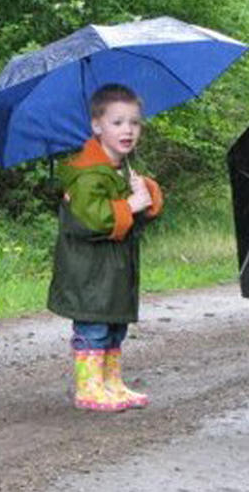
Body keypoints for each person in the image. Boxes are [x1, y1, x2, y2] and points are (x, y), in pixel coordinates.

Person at [47, 83, 163, 412]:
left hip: (113, 272)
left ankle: (111, 382)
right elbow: (92, 221)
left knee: (114, 327)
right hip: (89, 273)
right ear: (97, 126)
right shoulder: (86, 175)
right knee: (93, 327)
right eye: (117, 122)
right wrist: (130, 204)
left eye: (134, 122)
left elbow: (135, 220)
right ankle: (89, 387)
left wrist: (146, 195)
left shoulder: (119, 170)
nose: (128, 130)